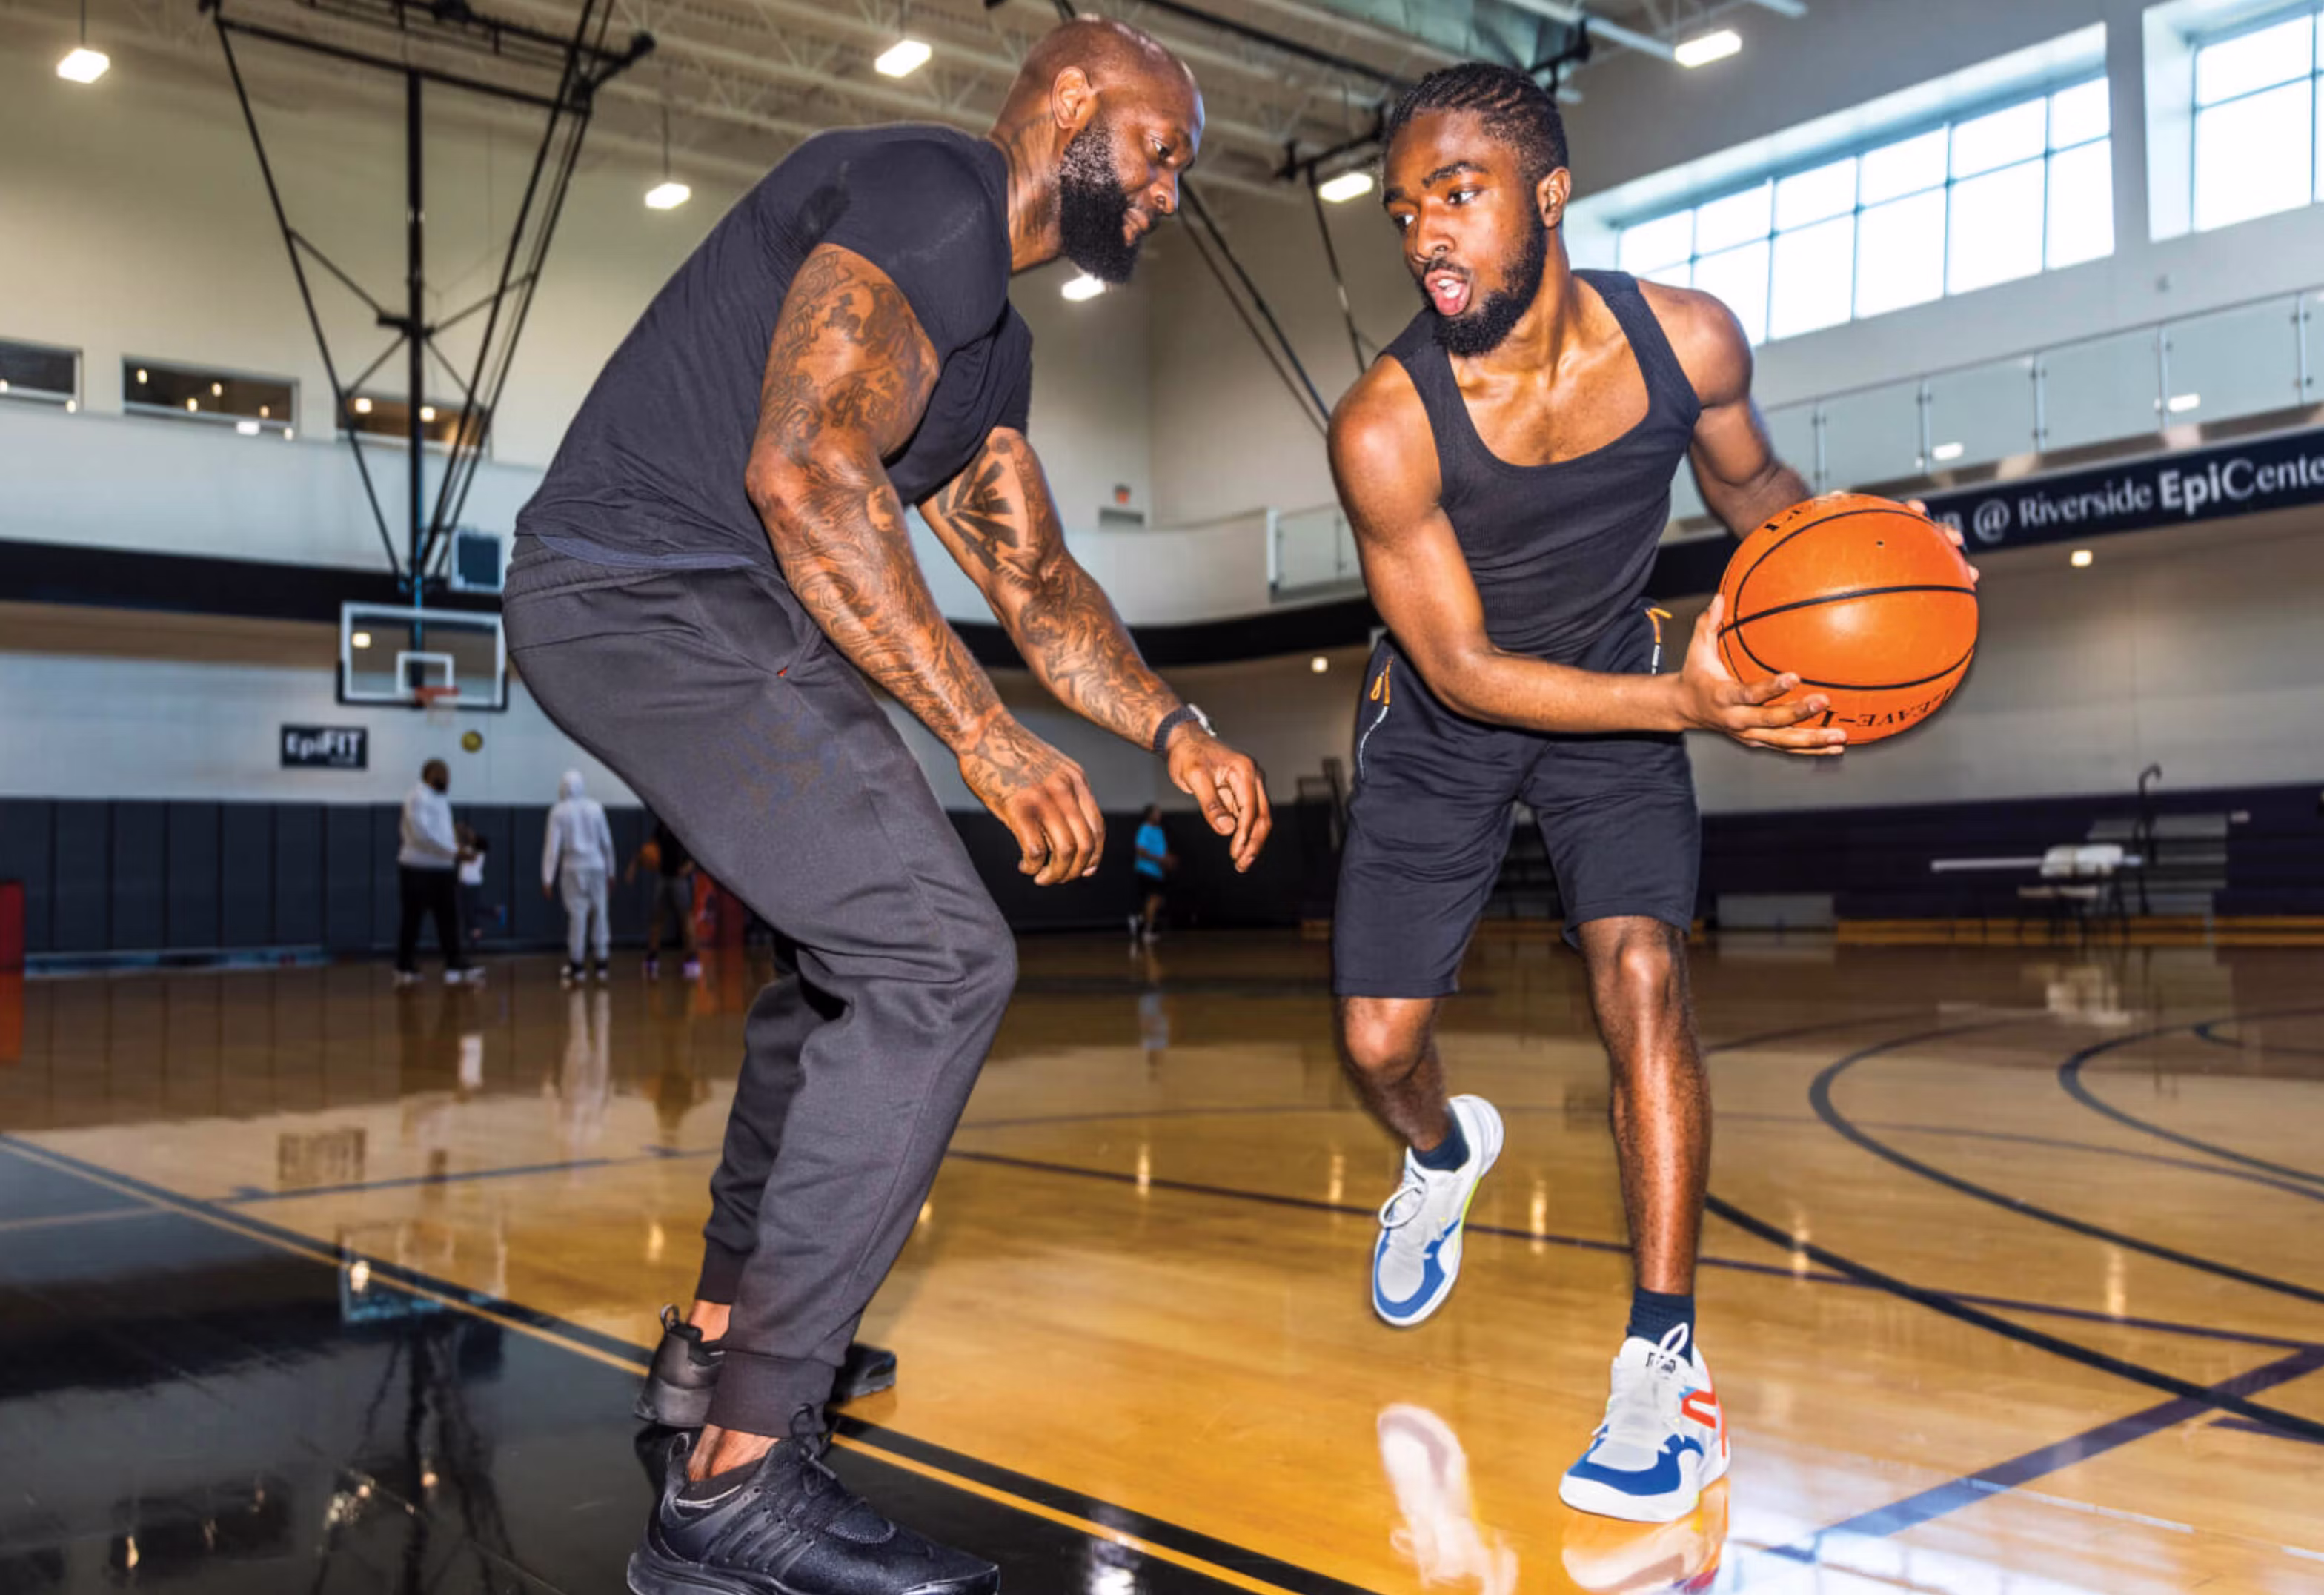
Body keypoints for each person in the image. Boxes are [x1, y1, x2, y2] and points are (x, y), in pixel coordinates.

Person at [497, 19, 1270, 1594]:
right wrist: (984, 736)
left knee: (847, 965)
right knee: (938, 956)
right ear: (1071, 101)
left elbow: (1035, 583)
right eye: (1159, 147)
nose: (1170, 188)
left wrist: (1172, 725)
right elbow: (801, 474)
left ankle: (715, 1353)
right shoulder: (931, 193)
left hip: (714, 609)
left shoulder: (991, 345)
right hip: (647, 592)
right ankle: (737, 1480)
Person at [1326, 64, 1977, 1525]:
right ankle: (1439, 1153)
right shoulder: (1384, 424)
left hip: (1614, 694)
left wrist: (1888, 563)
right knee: (1377, 1042)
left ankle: (1662, 1363)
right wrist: (1683, 702)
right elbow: (1467, 669)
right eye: (1404, 210)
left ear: (1549, 193)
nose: (1425, 235)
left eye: (1457, 195)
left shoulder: (1686, 339)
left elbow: (1761, 503)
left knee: (1641, 977)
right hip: (1445, 714)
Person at [396, 759, 479, 986]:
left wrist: (456, 835)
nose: (447, 779)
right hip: (418, 868)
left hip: (442, 869)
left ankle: (454, 961)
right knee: (412, 919)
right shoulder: (418, 796)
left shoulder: (440, 799)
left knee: (448, 919)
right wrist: (455, 852)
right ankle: (404, 965)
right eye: (443, 774)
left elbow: (439, 831)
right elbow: (422, 834)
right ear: (430, 774)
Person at [542, 769, 616, 986]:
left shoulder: (558, 811)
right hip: (597, 866)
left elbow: (552, 849)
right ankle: (602, 963)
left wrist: (547, 878)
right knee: (600, 913)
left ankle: (577, 965)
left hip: (572, 868)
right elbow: (607, 843)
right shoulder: (596, 808)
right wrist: (611, 871)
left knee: (577, 916)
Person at [628, 818, 702, 981]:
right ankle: (652, 957)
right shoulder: (662, 824)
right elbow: (649, 846)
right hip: (664, 877)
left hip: (680, 879)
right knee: (657, 919)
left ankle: (692, 959)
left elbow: (696, 851)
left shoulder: (685, 826)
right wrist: (635, 864)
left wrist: (689, 867)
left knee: (686, 919)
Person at [1130, 802, 1173, 942]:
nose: (1159, 815)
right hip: (1147, 870)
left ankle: (1139, 919)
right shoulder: (1145, 829)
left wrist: (1167, 860)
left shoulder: (1159, 830)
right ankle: (1147, 930)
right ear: (1149, 815)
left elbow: (1162, 850)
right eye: (1156, 813)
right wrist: (1159, 859)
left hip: (1158, 872)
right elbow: (1141, 851)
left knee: (1159, 901)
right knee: (1153, 900)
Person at [458, 831, 497, 946]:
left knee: (471, 908)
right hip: (466, 883)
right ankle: (495, 912)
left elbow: (466, 855)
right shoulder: (470, 849)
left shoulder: (478, 853)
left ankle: (476, 931)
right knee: (471, 907)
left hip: (472, 883)